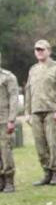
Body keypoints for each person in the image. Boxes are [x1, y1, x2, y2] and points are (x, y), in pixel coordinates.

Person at [24, 40, 56, 186]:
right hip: (36, 111)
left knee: (53, 143)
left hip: (51, 111)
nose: (39, 52)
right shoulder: (33, 69)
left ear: (49, 51)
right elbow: (28, 92)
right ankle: (46, 172)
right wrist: (27, 112)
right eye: (36, 50)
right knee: (40, 144)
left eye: (42, 49)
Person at [0, 58, 19, 194]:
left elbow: (14, 98)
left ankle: (9, 180)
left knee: (5, 150)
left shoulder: (8, 77)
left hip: (3, 119)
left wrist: (11, 119)